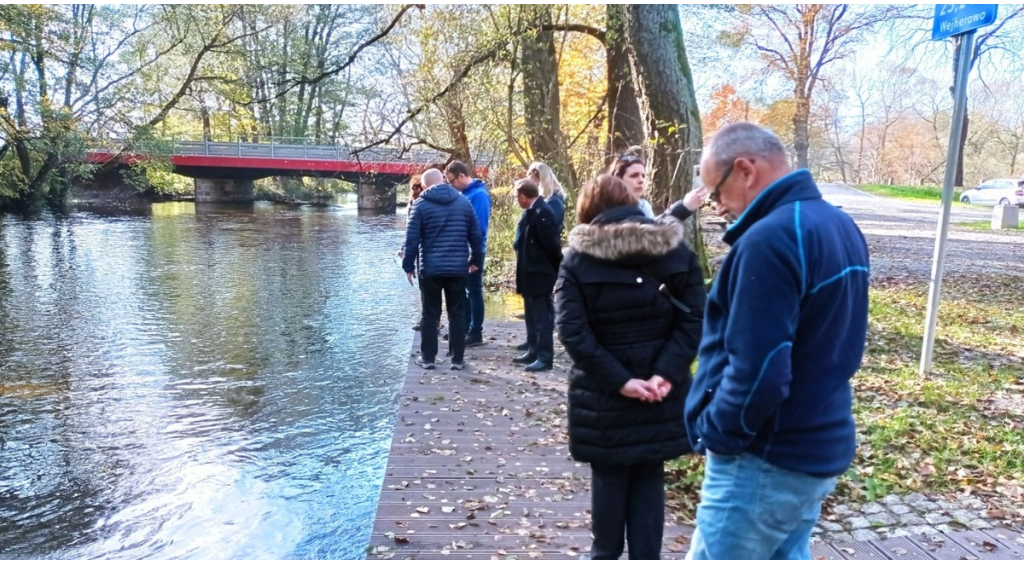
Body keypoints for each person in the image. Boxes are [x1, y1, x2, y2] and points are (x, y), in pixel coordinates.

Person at [683, 123, 870, 560]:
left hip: (765, 457)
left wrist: (717, 433)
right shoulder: (837, 224)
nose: (718, 206)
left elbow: (759, 371)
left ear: (745, 169)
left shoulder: (770, 239)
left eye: (716, 191)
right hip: (816, 444)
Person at [555, 174, 705, 560]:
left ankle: (604, 554)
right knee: (650, 472)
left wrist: (620, 381)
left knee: (608, 474)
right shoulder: (675, 252)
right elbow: (694, 321)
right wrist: (665, 373)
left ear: (589, 211)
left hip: (604, 393)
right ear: (633, 204)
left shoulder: (578, 259)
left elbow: (573, 332)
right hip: (661, 390)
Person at [402, 169, 483, 371]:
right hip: (457, 268)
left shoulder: (420, 205)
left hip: (430, 268)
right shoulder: (464, 203)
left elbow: (411, 240)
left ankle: (428, 358)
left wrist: (408, 266)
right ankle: (457, 360)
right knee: (457, 313)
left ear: (426, 186)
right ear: (444, 180)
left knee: (430, 314)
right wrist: (475, 260)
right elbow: (476, 236)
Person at [512, 178, 563, 372]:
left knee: (542, 317)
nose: (517, 200)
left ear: (524, 197)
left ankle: (545, 356)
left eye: (517, 196)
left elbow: (552, 246)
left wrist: (557, 271)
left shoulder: (543, 213)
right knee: (532, 316)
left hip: (540, 274)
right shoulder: (531, 212)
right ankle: (533, 349)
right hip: (529, 273)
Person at [445, 161, 491, 348]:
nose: (451, 186)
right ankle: (463, 328)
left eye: (452, 181)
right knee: (463, 292)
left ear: (462, 175)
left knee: (473, 291)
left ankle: (475, 332)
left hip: (473, 252)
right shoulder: (464, 195)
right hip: (461, 251)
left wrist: (475, 257)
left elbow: (479, 228)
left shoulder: (478, 195)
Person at [527, 162, 567, 232]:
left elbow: (547, 230)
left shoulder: (554, 202)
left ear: (542, 180)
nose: (531, 187)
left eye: (533, 182)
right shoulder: (545, 201)